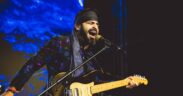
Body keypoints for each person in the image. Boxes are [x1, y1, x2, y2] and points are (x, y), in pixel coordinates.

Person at [1, 8, 139, 96]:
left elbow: (99, 80)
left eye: (97, 24)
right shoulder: (60, 43)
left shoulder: (90, 57)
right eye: (91, 23)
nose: (95, 27)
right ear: (78, 26)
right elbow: (34, 63)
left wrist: (124, 81)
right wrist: (12, 89)